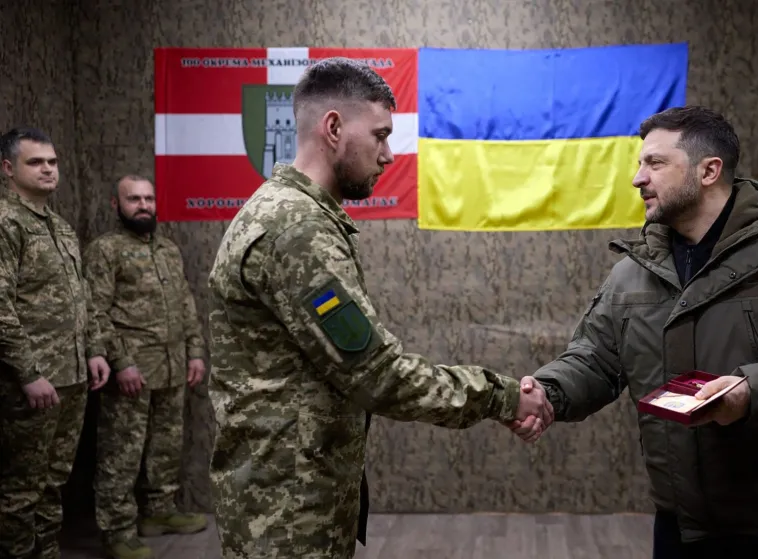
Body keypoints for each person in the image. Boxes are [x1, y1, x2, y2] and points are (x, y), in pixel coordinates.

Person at [509, 106, 758, 559]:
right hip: (676, 522)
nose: (638, 178)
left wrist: (750, 391)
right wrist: (548, 392)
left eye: (654, 163)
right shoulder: (631, 274)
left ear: (709, 170)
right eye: (640, 164)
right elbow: (594, 359)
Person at [206, 57, 553, 559]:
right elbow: (378, 375)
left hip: (289, 489)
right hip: (286, 510)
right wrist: (501, 397)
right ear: (333, 128)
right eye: (381, 135)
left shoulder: (290, 213)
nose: (388, 154)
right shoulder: (296, 230)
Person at [82, 175, 209, 559]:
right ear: (115, 204)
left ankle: (158, 512)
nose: (142, 206)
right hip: (132, 371)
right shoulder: (105, 250)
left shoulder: (168, 249)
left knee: (165, 446)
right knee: (121, 453)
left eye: (148, 199)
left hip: (171, 366)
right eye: (133, 199)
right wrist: (120, 362)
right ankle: (117, 530)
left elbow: (185, 303)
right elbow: (94, 311)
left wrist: (195, 351)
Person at [0, 126, 112, 559]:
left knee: (53, 483)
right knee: (20, 490)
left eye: (52, 161)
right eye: (36, 162)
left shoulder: (60, 227)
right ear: (9, 169)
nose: (48, 169)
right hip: (30, 382)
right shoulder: (7, 223)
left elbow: (82, 297)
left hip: (70, 376)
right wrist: (28, 374)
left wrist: (96, 350)